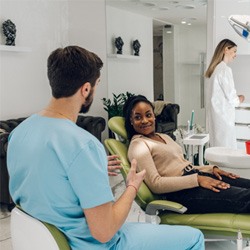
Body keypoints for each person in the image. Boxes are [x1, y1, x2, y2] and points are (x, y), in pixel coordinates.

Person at [7, 46, 204, 250]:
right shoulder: (83, 144)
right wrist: (132, 187)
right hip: (92, 245)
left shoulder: (20, 133)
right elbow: (104, 231)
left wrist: (89, 169)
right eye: (96, 84)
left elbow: (40, 184)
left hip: (45, 241)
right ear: (85, 89)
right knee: (194, 238)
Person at [124, 94, 250, 214]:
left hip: (195, 177)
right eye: (138, 117)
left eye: (148, 115)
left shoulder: (162, 136)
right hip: (181, 193)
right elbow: (156, 184)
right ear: (131, 121)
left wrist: (211, 169)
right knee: (245, 197)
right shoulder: (138, 145)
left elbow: (183, 166)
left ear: (154, 116)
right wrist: (197, 179)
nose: (145, 121)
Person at [205, 38, 245, 149]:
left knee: (218, 154)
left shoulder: (215, 70)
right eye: (235, 51)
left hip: (216, 121)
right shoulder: (225, 70)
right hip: (224, 122)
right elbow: (233, 99)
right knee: (227, 155)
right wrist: (240, 98)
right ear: (226, 49)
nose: (235, 55)